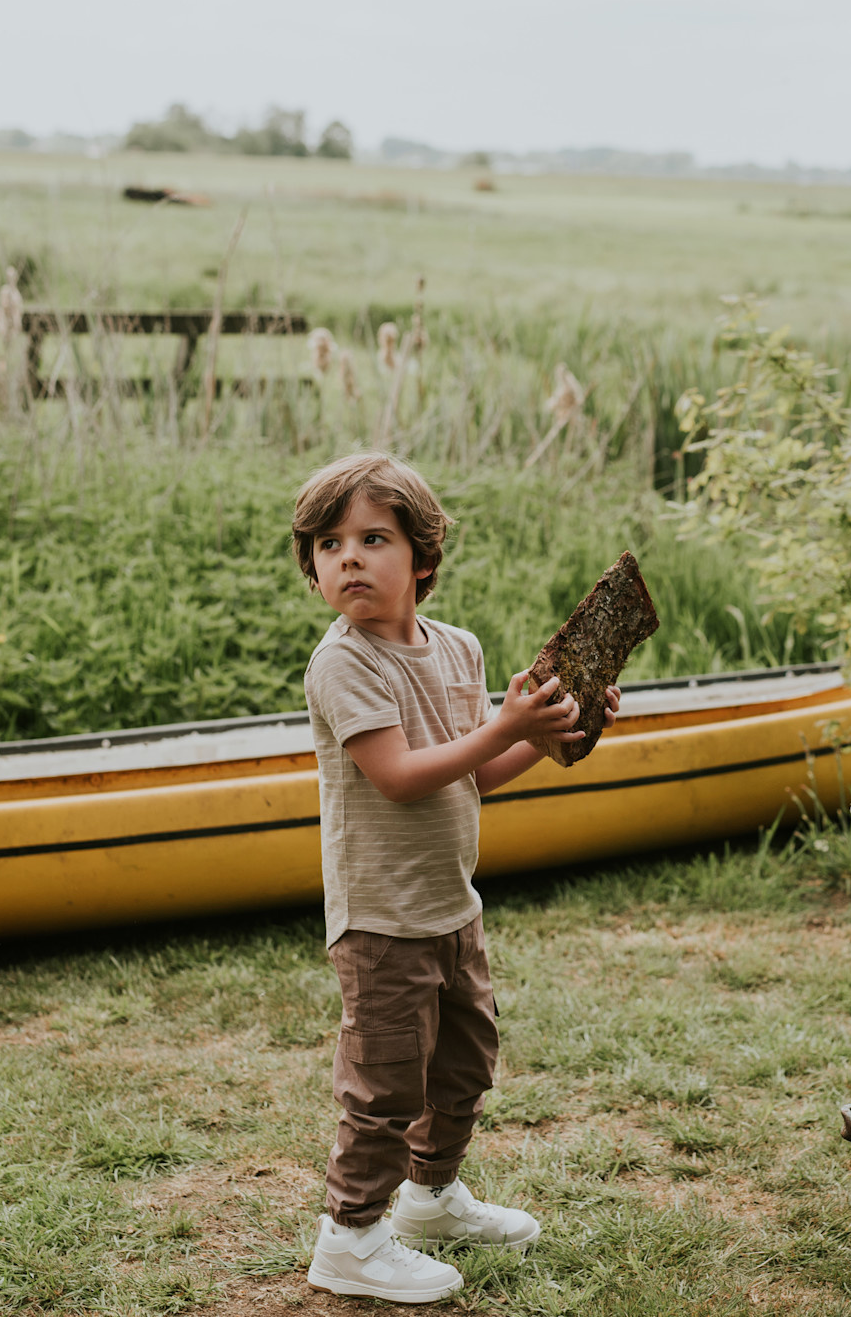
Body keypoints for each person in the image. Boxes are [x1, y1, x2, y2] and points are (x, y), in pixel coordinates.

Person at [292, 452, 619, 1303]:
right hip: (380, 914)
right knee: (385, 1082)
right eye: (329, 544)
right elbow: (401, 773)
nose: (349, 557)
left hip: (449, 904)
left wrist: (549, 730)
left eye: (372, 537)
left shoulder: (459, 649)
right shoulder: (343, 664)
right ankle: (350, 1235)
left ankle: (429, 1198)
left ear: (423, 558)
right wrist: (505, 721)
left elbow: (474, 769)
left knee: (464, 1064)